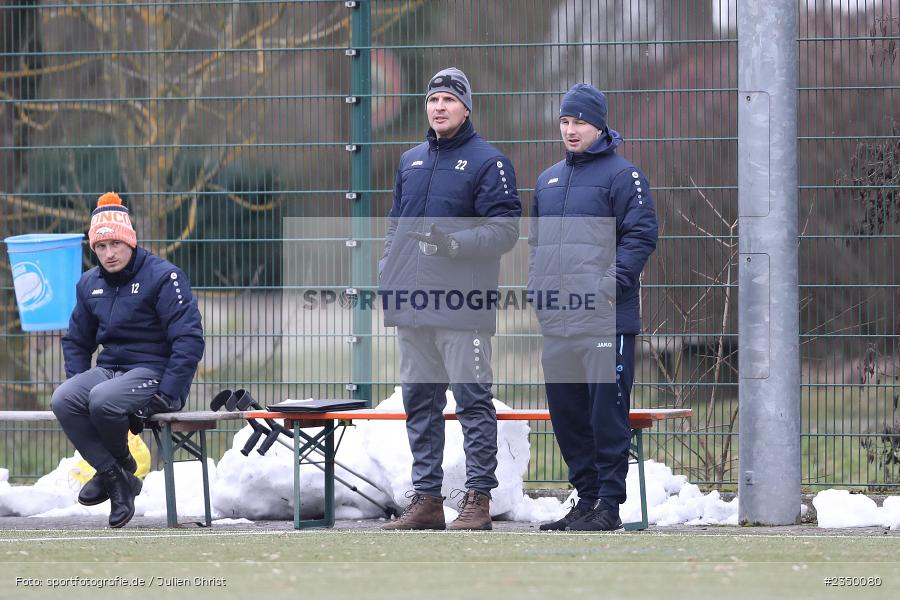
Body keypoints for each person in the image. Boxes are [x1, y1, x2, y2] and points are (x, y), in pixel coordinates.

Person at [378, 67, 521, 530]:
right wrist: (388, 273)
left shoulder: (489, 162)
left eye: (449, 99)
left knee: (473, 402)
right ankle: (427, 501)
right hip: (412, 306)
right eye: (433, 99)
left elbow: (505, 230)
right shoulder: (410, 160)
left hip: (463, 309)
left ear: (467, 107)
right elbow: (396, 228)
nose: (439, 106)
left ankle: (478, 499)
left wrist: (455, 242)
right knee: (420, 403)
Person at [529, 83, 658, 531]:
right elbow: (538, 245)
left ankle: (608, 505)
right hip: (559, 323)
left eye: (579, 121)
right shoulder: (547, 180)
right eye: (565, 121)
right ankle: (584, 500)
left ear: (599, 124)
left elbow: (641, 237)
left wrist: (608, 285)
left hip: (607, 319)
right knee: (568, 417)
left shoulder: (624, 177)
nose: (570, 129)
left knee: (606, 415)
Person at [51, 192, 204, 528]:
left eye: (115, 245)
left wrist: (169, 393)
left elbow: (189, 340)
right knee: (64, 398)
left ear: (131, 241)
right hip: (112, 371)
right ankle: (118, 474)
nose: (109, 254)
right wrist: (76, 381)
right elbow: (76, 341)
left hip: (155, 372)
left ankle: (114, 474)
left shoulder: (164, 277)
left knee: (103, 399)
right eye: (100, 248)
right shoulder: (88, 284)